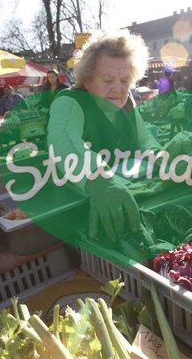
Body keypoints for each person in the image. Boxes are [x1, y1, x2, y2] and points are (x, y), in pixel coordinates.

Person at [46, 29, 158, 241]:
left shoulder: (127, 103)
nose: (118, 88)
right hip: (80, 216)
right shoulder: (69, 102)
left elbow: (144, 140)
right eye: (108, 80)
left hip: (129, 204)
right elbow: (62, 142)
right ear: (88, 80)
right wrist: (98, 178)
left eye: (125, 81)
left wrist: (159, 155)